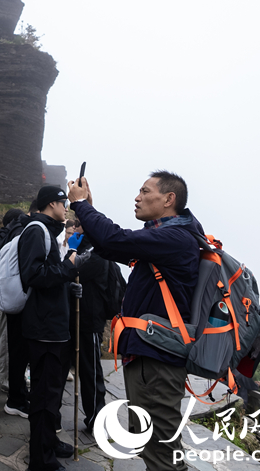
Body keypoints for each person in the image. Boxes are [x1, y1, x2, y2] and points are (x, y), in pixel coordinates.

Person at [67, 171, 202, 470]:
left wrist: (81, 206)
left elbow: (116, 238)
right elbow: (111, 245)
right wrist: (87, 209)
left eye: (144, 191)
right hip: (150, 356)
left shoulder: (175, 237)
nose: (137, 197)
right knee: (150, 443)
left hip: (158, 361)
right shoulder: (169, 235)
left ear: (169, 199)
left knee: (161, 452)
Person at [19, 185, 83, 471]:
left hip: (54, 325)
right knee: (44, 393)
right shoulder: (36, 231)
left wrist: (69, 282)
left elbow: (51, 276)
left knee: (53, 390)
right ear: (50, 204)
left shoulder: (51, 231)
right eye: (62, 202)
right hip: (43, 328)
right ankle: (40, 459)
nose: (65, 207)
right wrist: (68, 269)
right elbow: (32, 275)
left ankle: (50, 442)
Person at [62, 225, 114, 432]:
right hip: (73, 319)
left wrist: (70, 252)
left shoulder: (96, 253)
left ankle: (95, 419)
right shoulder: (84, 249)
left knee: (90, 371)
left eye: (80, 225)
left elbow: (69, 271)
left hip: (89, 321)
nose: (75, 227)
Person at [0, 208, 28, 397]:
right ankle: (7, 380)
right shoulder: (15, 233)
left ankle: (9, 379)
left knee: (7, 337)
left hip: (5, 293)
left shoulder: (3, 235)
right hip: (13, 294)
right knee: (6, 338)